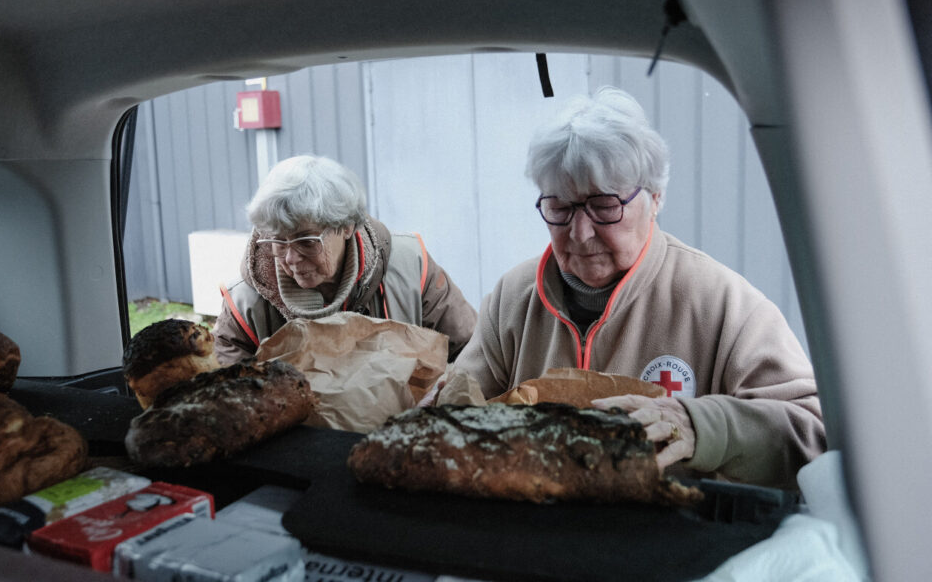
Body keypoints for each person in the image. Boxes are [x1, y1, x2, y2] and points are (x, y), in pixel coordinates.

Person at [451, 87, 826, 488]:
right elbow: (454, 413)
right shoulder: (513, 299)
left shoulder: (725, 306)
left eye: (604, 206)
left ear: (656, 197)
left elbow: (812, 434)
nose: (580, 233)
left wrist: (703, 426)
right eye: (560, 208)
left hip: (675, 527)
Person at [213, 154, 477, 367]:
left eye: (307, 241)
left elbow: (472, 353)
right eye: (278, 242)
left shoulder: (410, 267)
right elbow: (224, 384)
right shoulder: (245, 301)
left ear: (347, 227)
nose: (291, 258)